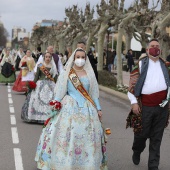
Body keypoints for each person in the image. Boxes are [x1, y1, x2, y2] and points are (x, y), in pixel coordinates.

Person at [35, 48, 107, 170]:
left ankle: (87, 164)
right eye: (78, 57)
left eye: (83, 57)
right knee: (66, 135)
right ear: (73, 58)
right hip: (69, 107)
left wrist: (99, 109)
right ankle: (63, 163)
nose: (80, 59)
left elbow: (94, 94)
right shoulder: (66, 73)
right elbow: (61, 92)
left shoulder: (90, 74)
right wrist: (55, 103)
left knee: (88, 137)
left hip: (87, 108)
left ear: (86, 59)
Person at [127, 39, 170, 170]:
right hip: (145, 107)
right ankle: (137, 150)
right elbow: (131, 87)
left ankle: (153, 165)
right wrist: (134, 103)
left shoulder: (166, 65)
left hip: (162, 108)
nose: (155, 48)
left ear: (160, 50)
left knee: (157, 138)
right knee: (141, 135)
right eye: (152, 46)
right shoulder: (140, 65)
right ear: (147, 50)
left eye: (157, 46)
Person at [21, 52, 58, 123]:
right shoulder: (40, 65)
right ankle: (36, 116)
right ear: (44, 58)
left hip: (51, 86)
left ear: (51, 58)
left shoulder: (53, 67)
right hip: (40, 84)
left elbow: (55, 78)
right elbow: (37, 76)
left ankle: (48, 117)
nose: (48, 58)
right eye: (46, 57)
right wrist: (32, 85)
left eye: (49, 57)